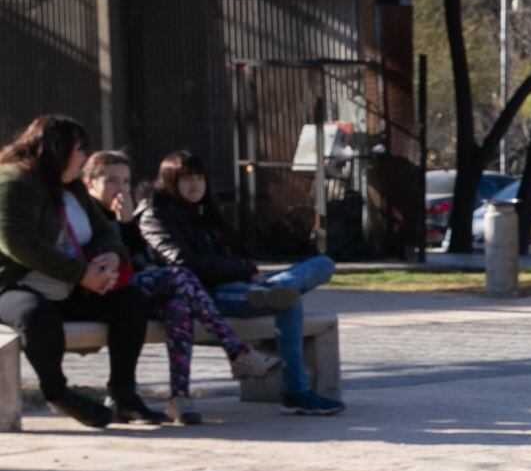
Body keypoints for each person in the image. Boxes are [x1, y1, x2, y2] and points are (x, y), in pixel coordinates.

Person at [140, 151, 344, 415]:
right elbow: (182, 263)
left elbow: (240, 254)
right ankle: (296, 393)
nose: (196, 185)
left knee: (322, 264)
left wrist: (247, 272)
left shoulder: (207, 214)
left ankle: (275, 288)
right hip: (207, 295)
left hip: (242, 284)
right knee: (288, 301)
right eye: (187, 178)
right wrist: (241, 270)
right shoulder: (156, 216)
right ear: (170, 181)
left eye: (200, 178)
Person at [84, 150, 274, 424]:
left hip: (131, 293)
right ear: (90, 183)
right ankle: (236, 350)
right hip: (100, 291)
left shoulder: (124, 214)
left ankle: (179, 397)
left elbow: (135, 255)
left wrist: (126, 223)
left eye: (126, 182)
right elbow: (110, 261)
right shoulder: (85, 212)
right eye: (112, 181)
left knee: (179, 305)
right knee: (179, 276)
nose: (121, 189)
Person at [0, 115, 159, 428]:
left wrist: (112, 258)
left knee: (131, 301)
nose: (85, 158)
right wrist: (81, 273)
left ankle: (124, 395)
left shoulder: (71, 186)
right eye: (80, 150)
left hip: (69, 287)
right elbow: (20, 244)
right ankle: (57, 393)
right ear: (57, 150)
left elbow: (104, 230)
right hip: (14, 287)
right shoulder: (13, 183)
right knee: (36, 315)